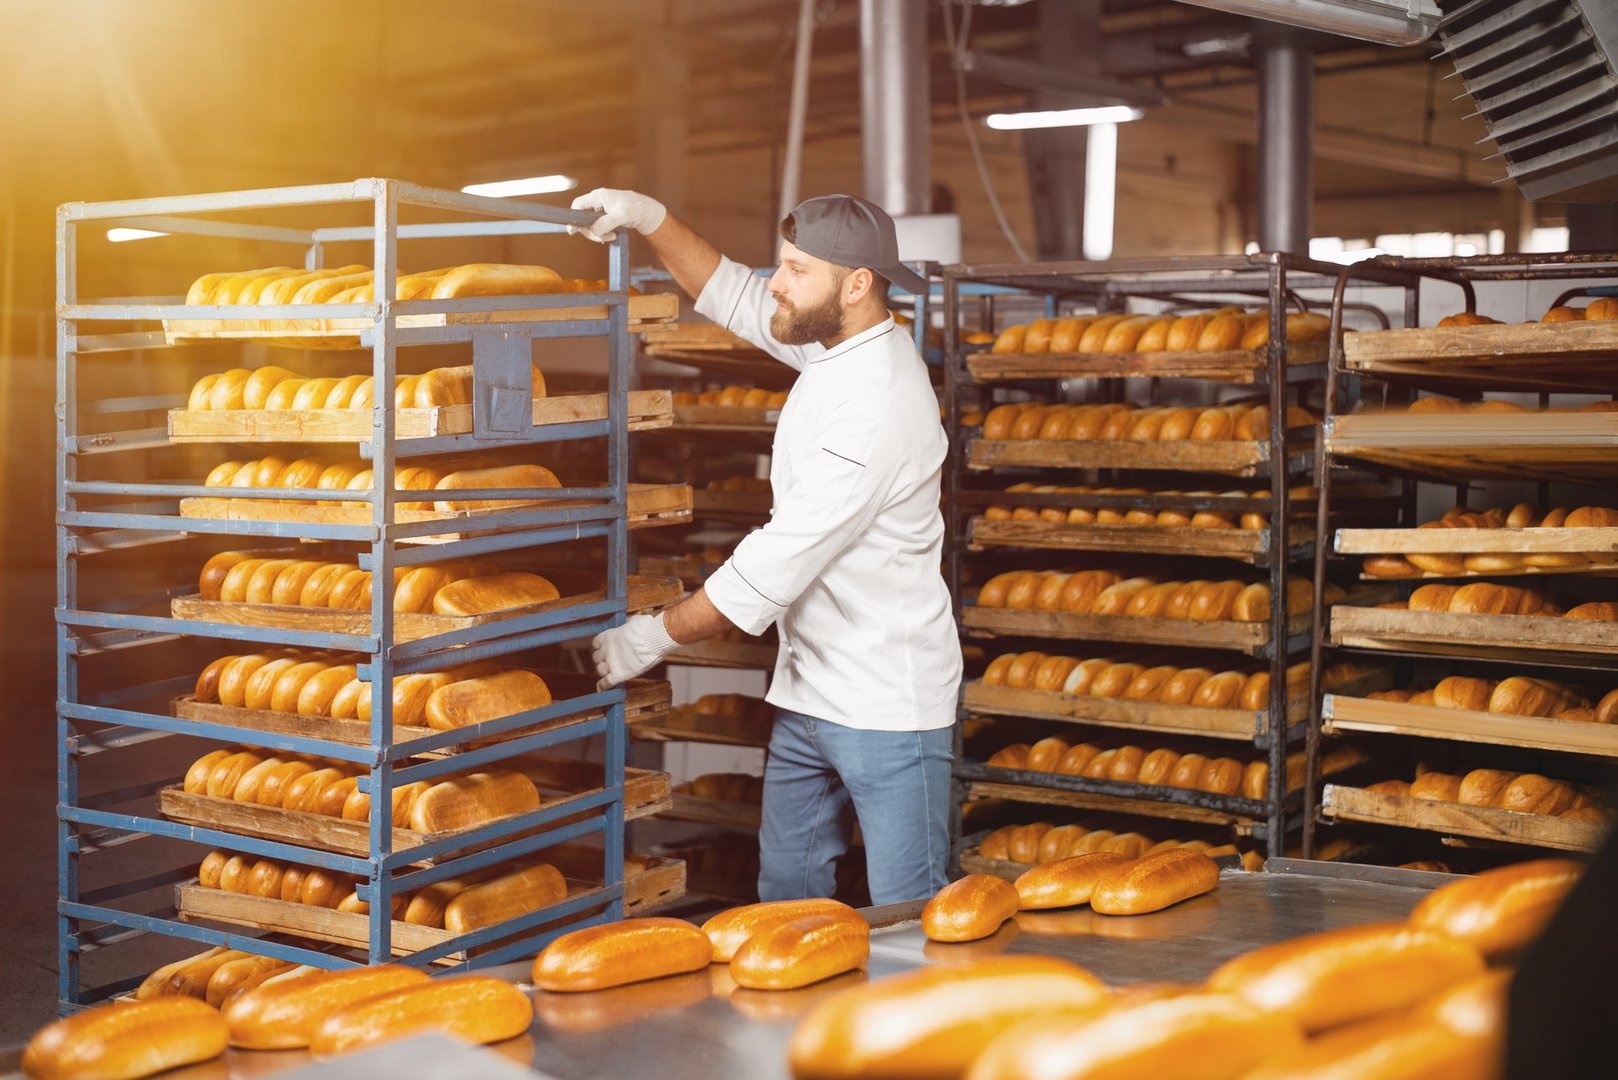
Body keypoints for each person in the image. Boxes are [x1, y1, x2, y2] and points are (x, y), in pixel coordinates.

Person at [573, 188, 960, 905]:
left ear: (856, 284)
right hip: (809, 692)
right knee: (787, 902)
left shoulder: (877, 400)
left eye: (794, 269)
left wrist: (655, 636)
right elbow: (730, 292)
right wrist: (653, 216)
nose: (775, 282)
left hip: (884, 705)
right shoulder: (836, 340)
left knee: (912, 914)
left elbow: (776, 561)